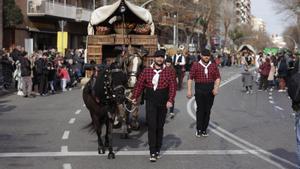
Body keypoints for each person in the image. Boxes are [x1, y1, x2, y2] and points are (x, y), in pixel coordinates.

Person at [131, 50, 177, 162]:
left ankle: (157, 149)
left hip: (163, 102)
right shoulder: (147, 71)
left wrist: (170, 100)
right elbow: (139, 85)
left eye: (161, 57)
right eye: (158, 57)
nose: (160, 59)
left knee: (159, 127)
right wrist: (134, 97)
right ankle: (152, 152)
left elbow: (172, 87)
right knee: (152, 126)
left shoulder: (169, 71)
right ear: (154, 58)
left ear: (163, 59)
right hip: (151, 101)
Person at [187, 49, 221, 137]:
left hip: (210, 90)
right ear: (201, 55)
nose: (206, 57)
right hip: (199, 89)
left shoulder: (213, 66)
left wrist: (216, 88)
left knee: (207, 110)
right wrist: (189, 90)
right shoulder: (196, 65)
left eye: (208, 56)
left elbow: (217, 78)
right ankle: (199, 129)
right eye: (204, 55)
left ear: (210, 56)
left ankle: (204, 129)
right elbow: (190, 78)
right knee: (200, 110)